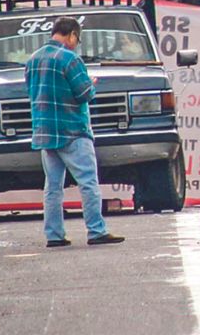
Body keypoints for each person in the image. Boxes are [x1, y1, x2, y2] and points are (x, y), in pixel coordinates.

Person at [27, 17, 123, 247]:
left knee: (52, 187)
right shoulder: (70, 59)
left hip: (45, 132)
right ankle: (96, 230)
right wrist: (91, 83)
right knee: (88, 182)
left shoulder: (33, 59)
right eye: (76, 39)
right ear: (71, 35)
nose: (75, 43)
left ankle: (54, 235)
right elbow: (83, 94)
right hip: (73, 130)